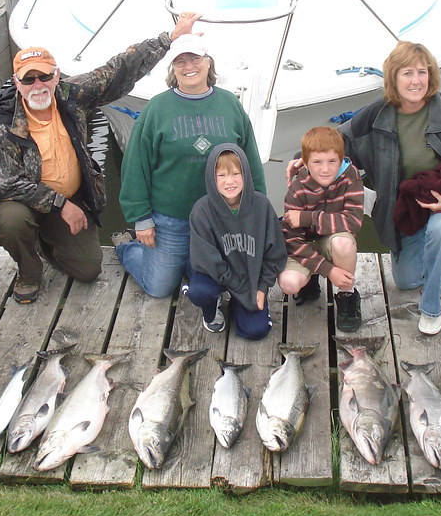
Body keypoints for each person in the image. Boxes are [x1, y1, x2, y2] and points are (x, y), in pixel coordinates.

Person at [0, 13, 197, 304]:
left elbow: (118, 70)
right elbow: (0, 183)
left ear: (56, 75)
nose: (38, 84)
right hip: (33, 205)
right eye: (29, 79)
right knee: (12, 219)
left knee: (88, 269)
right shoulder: (3, 125)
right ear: (17, 82)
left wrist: (168, 38)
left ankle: (48, 240)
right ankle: (29, 272)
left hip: (68, 202)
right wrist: (59, 204)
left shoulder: (73, 96)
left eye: (45, 76)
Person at [338, 40, 441, 336]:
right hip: (407, 209)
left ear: (431, 75)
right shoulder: (377, 115)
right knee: (407, 280)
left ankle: (432, 309)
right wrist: (302, 160)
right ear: (393, 78)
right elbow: (338, 143)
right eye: (407, 73)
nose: (416, 80)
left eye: (422, 72)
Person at [114, 30, 266, 298]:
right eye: (180, 61)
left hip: (220, 220)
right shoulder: (156, 109)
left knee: (220, 285)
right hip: (170, 220)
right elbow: (135, 166)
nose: (189, 66)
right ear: (173, 69)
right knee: (159, 288)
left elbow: (250, 159)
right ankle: (129, 248)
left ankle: (187, 262)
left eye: (194, 58)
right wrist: (141, 219)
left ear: (208, 62)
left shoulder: (229, 103)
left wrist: (257, 208)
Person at [185, 144, 286, 339]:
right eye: (221, 175)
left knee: (256, 331)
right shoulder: (201, 210)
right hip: (217, 275)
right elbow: (208, 261)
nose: (229, 181)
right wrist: (242, 291)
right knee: (200, 292)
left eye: (236, 174)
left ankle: (237, 304)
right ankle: (211, 311)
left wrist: (262, 287)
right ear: (211, 178)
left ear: (246, 174)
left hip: (250, 277)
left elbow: (275, 254)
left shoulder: (262, 205)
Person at [278, 125, 365, 333]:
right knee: (288, 283)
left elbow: (353, 221)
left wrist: (308, 218)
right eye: (317, 162)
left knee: (343, 242)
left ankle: (346, 294)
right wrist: (328, 270)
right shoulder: (297, 191)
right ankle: (311, 280)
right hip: (306, 246)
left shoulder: (351, 177)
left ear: (341, 159)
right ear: (305, 162)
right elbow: (293, 243)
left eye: (332, 161)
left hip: (332, 241)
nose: (325, 169)